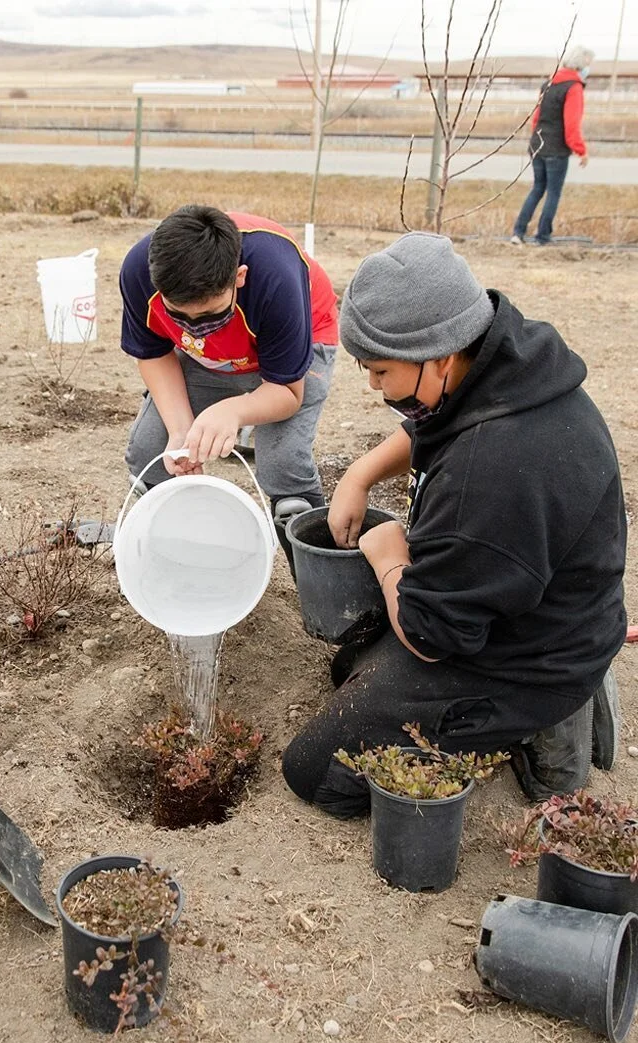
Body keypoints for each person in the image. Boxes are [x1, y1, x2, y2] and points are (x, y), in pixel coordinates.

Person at [281, 232, 626, 818]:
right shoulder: (505, 363)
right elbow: (433, 424)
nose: (372, 385)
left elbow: (431, 636)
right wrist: (359, 475)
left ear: (440, 356)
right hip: (543, 602)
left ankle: (542, 724)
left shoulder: (490, 471)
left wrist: (388, 551)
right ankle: (558, 700)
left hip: (528, 657)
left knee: (316, 773)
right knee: (351, 664)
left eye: (380, 371)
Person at [119, 205, 339, 570]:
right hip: (212, 358)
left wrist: (232, 411)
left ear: (239, 277)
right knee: (152, 452)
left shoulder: (276, 275)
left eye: (210, 314)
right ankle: (167, 569)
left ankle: (318, 587)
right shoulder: (140, 271)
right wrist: (180, 430)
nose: (195, 324)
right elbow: (155, 353)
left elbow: (287, 392)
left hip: (299, 345)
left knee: (283, 466)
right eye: (180, 315)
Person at [511, 46, 594, 246]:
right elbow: (571, 124)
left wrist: (537, 139)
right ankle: (542, 236)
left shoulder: (548, 84)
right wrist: (581, 150)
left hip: (538, 144)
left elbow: (536, 118)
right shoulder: (574, 88)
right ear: (580, 66)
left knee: (537, 188)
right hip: (556, 149)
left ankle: (518, 232)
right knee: (553, 192)